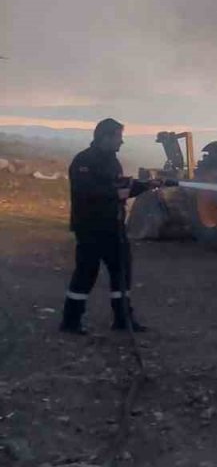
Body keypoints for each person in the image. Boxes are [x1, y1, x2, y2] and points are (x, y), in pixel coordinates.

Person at [60, 118, 156, 335]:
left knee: (121, 272)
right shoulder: (83, 161)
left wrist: (143, 187)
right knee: (86, 273)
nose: (121, 142)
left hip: (114, 228)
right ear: (105, 137)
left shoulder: (113, 161)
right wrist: (115, 194)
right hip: (91, 228)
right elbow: (86, 192)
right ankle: (70, 322)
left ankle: (123, 319)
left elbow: (119, 188)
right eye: (118, 137)